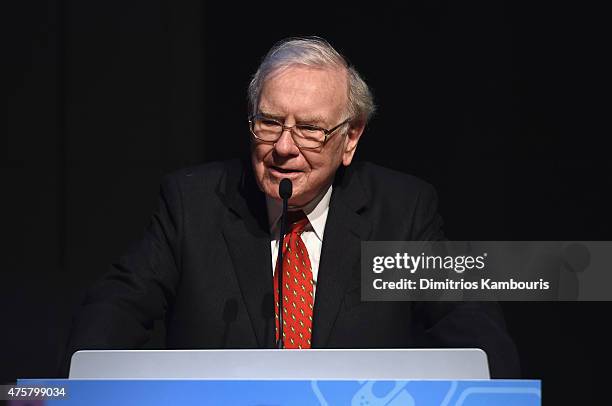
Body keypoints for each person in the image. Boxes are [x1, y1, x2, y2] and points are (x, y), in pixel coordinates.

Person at [62, 37, 519, 377]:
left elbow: (472, 325)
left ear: (350, 138)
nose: (284, 147)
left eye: (310, 130)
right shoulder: (193, 204)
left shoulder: (401, 211)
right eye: (270, 122)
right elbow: (114, 310)